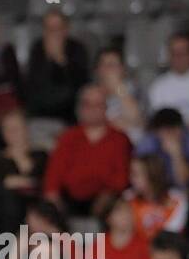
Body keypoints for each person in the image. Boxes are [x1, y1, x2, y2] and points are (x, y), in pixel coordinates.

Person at [42, 84, 131, 218]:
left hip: (106, 203)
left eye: (98, 104)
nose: (92, 109)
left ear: (106, 107)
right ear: (80, 108)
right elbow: (53, 179)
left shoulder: (119, 139)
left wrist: (107, 198)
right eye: (87, 104)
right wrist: (54, 207)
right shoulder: (68, 138)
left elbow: (121, 180)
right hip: (70, 201)